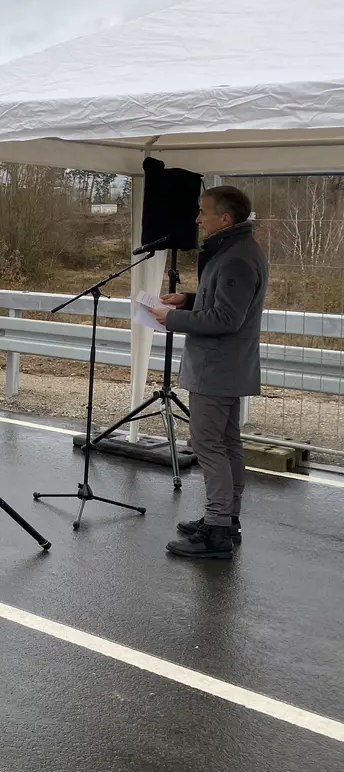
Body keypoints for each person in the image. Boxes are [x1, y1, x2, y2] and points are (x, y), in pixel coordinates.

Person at [149, 185, 268, 560]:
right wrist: (187, 299)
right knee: (227, 444)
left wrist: (174, 318)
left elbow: (226, 317)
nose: (197, 219)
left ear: (225, 218)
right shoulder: (235, 250)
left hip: (217, 368)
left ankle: (217, 532)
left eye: (203, 212)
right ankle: (225, 520)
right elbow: (223, 300)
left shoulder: (235, 258)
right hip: (226, 365)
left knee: (209, 447)